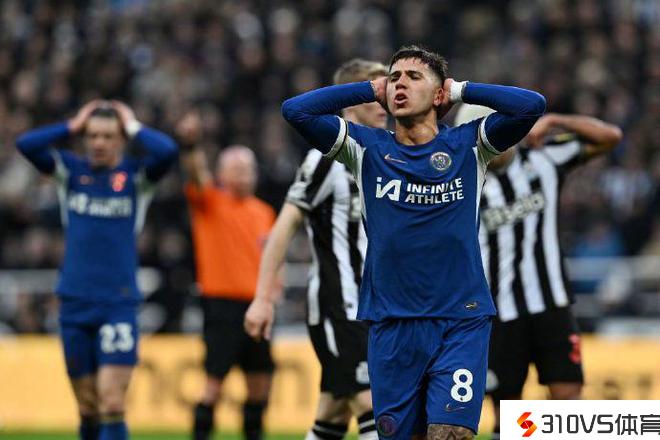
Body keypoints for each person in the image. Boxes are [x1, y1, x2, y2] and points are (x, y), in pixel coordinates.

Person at [281, 44, 546, 439]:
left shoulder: (469, 145)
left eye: (413, 76)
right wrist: (368, 89)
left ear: (438, 95)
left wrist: (460, 90)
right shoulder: (366, 149)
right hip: (391, 323)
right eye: (394, 78)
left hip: (460, 320)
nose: (399, 84)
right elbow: (295, 111)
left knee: (451, 433)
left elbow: (531, 106)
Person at [454, 105, 622, 440]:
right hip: (499, 313)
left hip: (551, 304)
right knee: (507, 412)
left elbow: (610, 137)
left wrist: (557, 120)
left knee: (568, 398)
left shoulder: (544, 158)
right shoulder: (464, 186)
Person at [16, 100, 178, 440]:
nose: (99, 143)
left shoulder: (136, 177)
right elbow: (26, 145)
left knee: (112, 399)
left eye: (107, 136)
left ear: (121, 140)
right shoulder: (70, 172)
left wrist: (133, 125)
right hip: (74, 301)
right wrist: (71, 125)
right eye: (92, 136)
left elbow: (167, 152)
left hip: (118, 302)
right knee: (88, 406)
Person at [244, 59, 388, 440]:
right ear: (352, 100)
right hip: (339, 304)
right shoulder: (327, 159)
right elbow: (283, 228)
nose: (385, 102)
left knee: (333, 413)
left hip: (380, 307)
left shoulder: (389, 155)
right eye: (375, 93)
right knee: (374, 405)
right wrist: (263, 298)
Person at [177, 113, 276, 440]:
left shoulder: (264, 212)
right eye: (237, 169)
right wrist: (191, 144)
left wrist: (273, 293)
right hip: (221, 306)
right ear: (222, 174)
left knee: (260, 383)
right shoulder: (210, 202)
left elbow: (271, 259)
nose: (244, 175)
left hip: (257, 305)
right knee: (214, 384)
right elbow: (196, 173)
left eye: (248, 169)